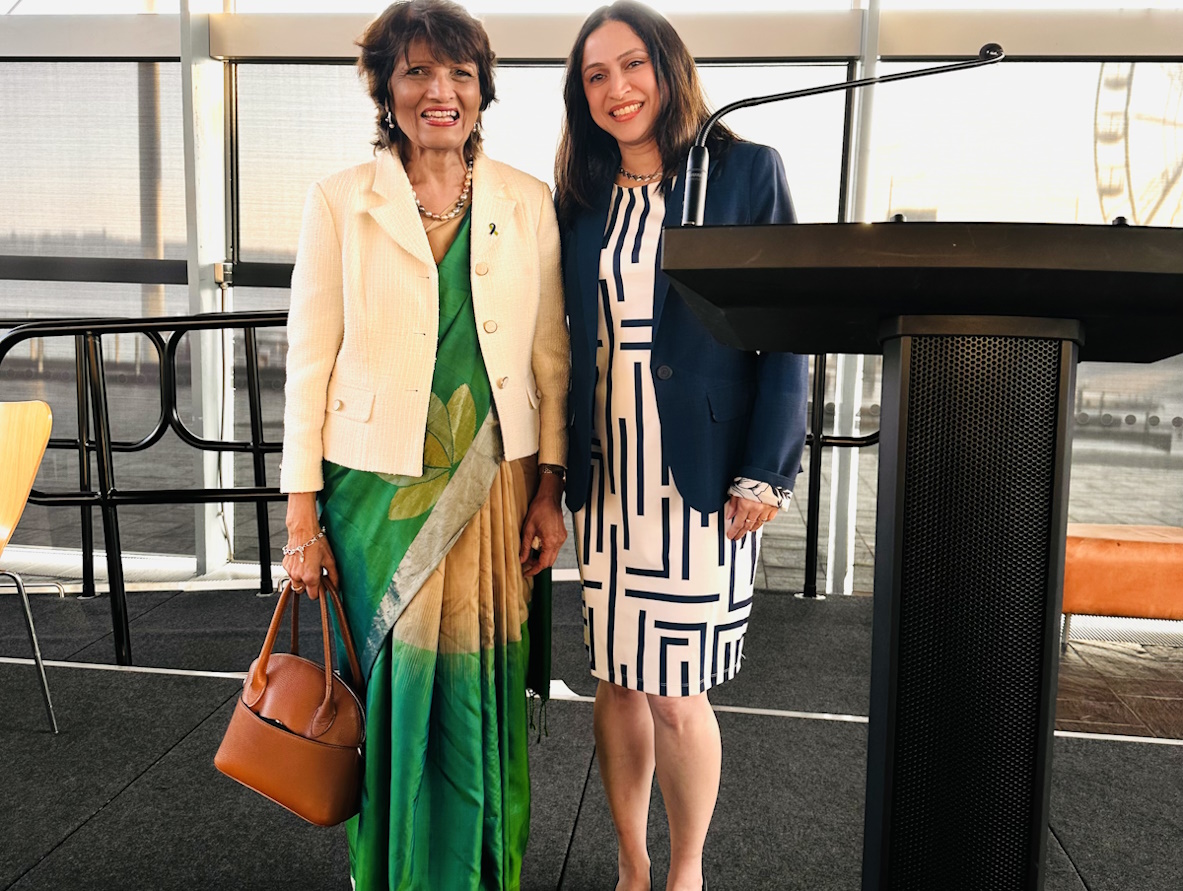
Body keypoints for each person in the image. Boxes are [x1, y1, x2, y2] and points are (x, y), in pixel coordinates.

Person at [279, 2, 568, 888]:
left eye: (459, 74)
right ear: (385, 90)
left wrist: (550, 487)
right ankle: (396, 868)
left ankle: (477, 869)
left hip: (496, 479)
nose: (439, 91)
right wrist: (299, 518)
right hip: (375, 487)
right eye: (416, 72)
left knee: (478, 681)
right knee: (394, 685)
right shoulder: (341, 200)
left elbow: (549, 355)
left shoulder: (526, 199)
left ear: (482, 91)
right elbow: (308, 360)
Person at [554, 3, 809, 890]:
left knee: (674, 688)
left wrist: (767, 469)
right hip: (606, 474)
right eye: (595, 76)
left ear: (668, 67)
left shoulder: (743, 172)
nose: (616, 88)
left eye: (632, 65)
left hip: (698, 474)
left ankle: (685, 871)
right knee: (616, 679)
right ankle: (631, 864)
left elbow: (784, 329)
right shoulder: (580, 196)